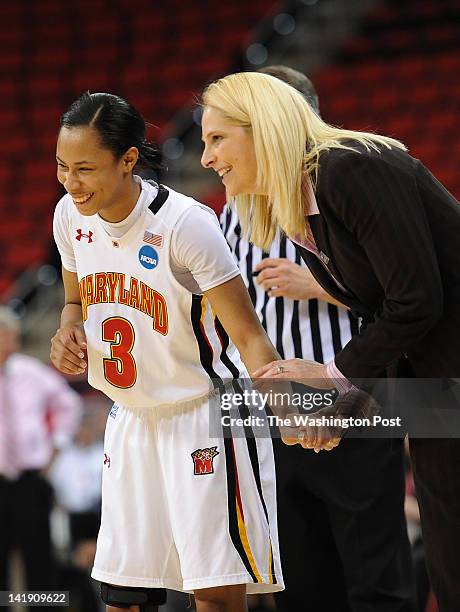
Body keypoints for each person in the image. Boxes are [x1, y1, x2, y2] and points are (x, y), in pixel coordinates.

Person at [200, 71, 460, 611]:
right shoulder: (295, 201)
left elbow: (416, 300)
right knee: (447, 560)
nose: (205, 158)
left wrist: (335, 377)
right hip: (429, 388)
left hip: (445, 379)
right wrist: (341, 401)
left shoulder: (350, 166)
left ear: (262, 127)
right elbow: (383, 313)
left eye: (217, 138)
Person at [50, 92, 290, 612]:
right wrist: (67, 331)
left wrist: (291, 408)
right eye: (62, 167)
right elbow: (74, 300)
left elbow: (248, 335)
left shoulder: (186, 225)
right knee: (123, 596)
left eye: (85, 169)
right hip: (132, 417)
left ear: (129, 160)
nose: (71, 183)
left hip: (204, 415)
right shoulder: (69, 217)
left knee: (217, 593)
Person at [0, 305, 81, 598]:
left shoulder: (30, 371)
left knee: (39, 560)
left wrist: (57, 445)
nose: (11, 344)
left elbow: (68, 404)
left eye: (13, 337)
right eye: (5, 338)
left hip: (30, 479)